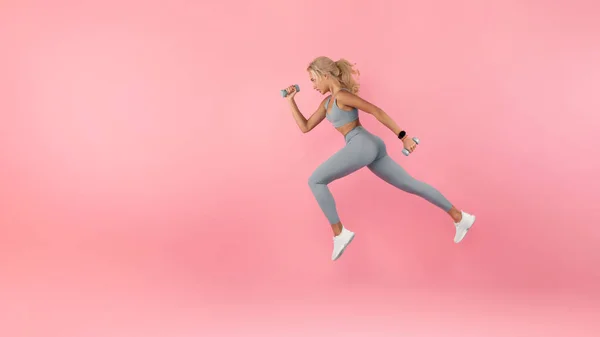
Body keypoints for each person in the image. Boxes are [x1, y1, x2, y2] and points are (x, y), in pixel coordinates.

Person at [284, 56, 476, 261]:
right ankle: (460, 217)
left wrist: (403, 136)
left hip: (361, 144)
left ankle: (339, 233)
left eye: (313, 80)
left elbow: (375, 111)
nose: (312, 85)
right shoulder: (327, 103)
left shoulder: (342, 96)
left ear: (324, 75)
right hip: (369, 145)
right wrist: (290, 101)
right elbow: (305, 127)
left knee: (315, 180)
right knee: (411, 184)